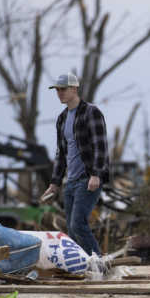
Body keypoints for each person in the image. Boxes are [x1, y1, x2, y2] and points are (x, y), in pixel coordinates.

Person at [42, 73, 109, 256]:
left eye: (63, 89)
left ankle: (98, 264)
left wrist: (96, 174)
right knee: (71, 232)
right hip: (70, 182)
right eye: (57, 90)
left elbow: (100, 146)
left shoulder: (91, 112)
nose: (60, 93)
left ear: (74, 89)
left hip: (87, 179)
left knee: (78, 224)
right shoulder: (62, 119)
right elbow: (60, 154)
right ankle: (81, 267)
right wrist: (55, 183)